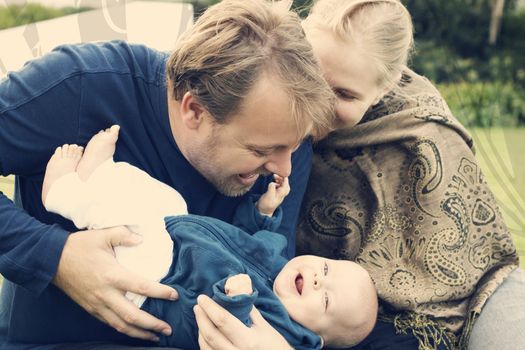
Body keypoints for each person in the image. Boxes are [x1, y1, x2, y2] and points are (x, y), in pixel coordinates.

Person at [0, 0, 335, 348]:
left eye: (292, 149)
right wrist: (55, 256)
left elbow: (277, 294)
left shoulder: (280, 143)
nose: (283, 169)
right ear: (194, 110)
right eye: (259, 151)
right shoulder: (84, 86)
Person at [193, 1, 524, 349]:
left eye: (343, 93)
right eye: (312, 75)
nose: (317, 102)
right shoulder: (256, 100)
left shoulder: (423, 145)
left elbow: (450, 291)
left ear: (385, 86)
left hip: (408, 323)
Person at [21, 125, 377, 349]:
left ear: (317, 339)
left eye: (326, 300)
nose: (317, 280)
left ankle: (63, 195)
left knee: (137, 236)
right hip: (178, 236)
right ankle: (100, 175)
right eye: (327, 270)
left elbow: (231, 331)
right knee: (166, 201)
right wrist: (265, 212)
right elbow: (252, 237)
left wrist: (237, 301)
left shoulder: (282, 332)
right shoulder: (278, 263)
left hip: (159, 288)